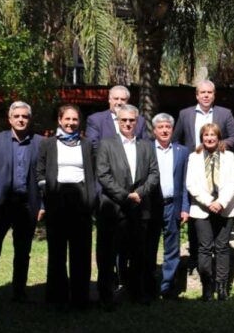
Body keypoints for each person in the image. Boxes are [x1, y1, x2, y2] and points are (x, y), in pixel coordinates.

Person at [0, 101, 45, 310]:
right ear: (9, 119)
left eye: (25, 116)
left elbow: (45, 177)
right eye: (16, 116)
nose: (21, 119)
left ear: (30, 119)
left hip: (27, 205)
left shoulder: (41, 142)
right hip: (0, 205)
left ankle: (19, 292)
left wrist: (43, 205)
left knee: (22, 251)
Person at [173, 79, 234, 273]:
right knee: (197, 214)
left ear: (214, 95)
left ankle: (215, 271)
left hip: (218, 164)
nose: (205, 95)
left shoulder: (224, 113)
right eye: (202, 92)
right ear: (196, 95)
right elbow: (177, 139)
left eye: (209, 92)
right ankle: (195, 260)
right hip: (194, 166)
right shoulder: (184, 114)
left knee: (216, 219)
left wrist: (218, 146)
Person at [96, 104, 160, 308]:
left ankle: (137, 293)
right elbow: (103, 175)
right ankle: (106, 296)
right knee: (107, 255)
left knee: (138, 254)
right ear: (117, 121)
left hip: (139, 208)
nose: (128, 123)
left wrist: (139, 194)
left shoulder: (146, 145)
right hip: (113, 208)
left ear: (137, 121)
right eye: (123, 120)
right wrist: (125, 196)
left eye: (131, 120)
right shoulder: (106, 144)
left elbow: (154, 173)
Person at [37, 104, 97, 310]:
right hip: (57, 201)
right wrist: (47, 194)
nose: (71, 123)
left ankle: (80, 298)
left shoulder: (87, 144)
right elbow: (40, 172)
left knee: (81, 252)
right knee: (57, 252)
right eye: (67, 119)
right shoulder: (48, 144)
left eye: (75, 120)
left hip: (81, 201)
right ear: (59, 121)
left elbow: (94, 173)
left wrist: (91, 199)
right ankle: (57, 297)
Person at [186, 123, 234, 301]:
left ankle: (222, 288)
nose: (209, 138)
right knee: (205, 248)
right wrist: (210, 202)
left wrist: (221, 202)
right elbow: (191, 184)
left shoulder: (229, 156)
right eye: (206, 135)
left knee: (222, 248)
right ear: (202, 137)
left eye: (213, 135)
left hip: (225, 208)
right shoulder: (194, 157)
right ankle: (206, 288)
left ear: (219, 137)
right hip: (202, 209)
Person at [147, 113, 190, 299]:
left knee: (172, 248)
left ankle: (167, 286)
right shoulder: (146, 149)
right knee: (149, 246)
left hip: (173, 205)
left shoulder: (182, 151)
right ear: (154, 130)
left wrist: (185, 208)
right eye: (160, 127)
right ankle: (148, 286)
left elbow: (186, 183)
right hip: (151, 205)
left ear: (172, 130)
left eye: (168, 127)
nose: (164, 130)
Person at [85, 85, 149, 150]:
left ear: (127, 102)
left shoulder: (139, 121)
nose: (119, 102)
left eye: (123, 99)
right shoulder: (96, 120)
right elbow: (93, 146)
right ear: (109, 100)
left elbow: (145, 145)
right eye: (116, 99)